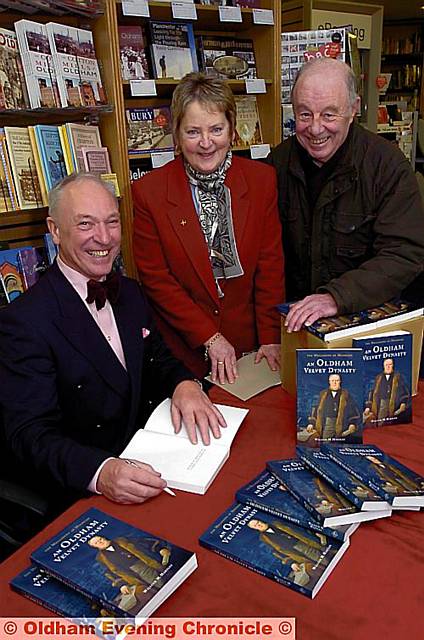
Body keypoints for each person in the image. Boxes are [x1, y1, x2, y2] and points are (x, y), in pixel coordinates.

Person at [0, 173, 226, 509]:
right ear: (55, 231)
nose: (103, 238)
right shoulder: (23, 321)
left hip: (151, 464)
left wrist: (184, 384)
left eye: (111, 222)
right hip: (82, 491)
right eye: (86, 224)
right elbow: (30, 435)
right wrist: (100, 472)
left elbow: (158, 360)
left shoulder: (130, 293)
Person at [132, 72, 284, 383]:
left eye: (216, 129)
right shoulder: (149, 192)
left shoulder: (261, 181)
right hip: (182, 350)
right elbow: (157, 280)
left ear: (231, 131)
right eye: (192, 132)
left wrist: (271, 336)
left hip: (250, 349)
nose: (205, 143)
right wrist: (209, 337)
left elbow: (270, 266)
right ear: (176, 134)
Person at [267, 57, 424, 333]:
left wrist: (337, 297)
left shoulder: (387, 166)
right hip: (293, 327)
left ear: (353, 109)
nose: (315, 128)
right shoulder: (276, 165)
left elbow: (404, 253)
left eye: (329, 115)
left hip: (364, 328)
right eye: (305, 114)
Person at [87, 534, 170, 591]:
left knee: (171, 572)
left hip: (151, 560)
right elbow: (110, 573)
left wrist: (160, 549)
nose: (100, 542)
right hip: (136, 572)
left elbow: (143, 541)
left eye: (100, 539)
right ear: (94, 546)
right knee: (162, 586)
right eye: (96, 543)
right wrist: (122, 585)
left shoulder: (121, 540)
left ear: (104, 538)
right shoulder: (101, 558)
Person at [304, 373, 360, 443]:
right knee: (326, 444)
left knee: (342, 445)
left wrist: (352, 424)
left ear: (340, 381)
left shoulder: (346, 395)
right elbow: (316, 409)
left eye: (337, 380)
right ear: (329, 381)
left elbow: (354, 410)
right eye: (333, 380)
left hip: (343, 424)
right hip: (327, 424)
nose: (335, 383)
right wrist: (311, 423)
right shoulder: (323, 394)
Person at [247, 518, 328, 565]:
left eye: (258, 522)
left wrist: (315, 532)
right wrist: (291, 563)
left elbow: (296, 525)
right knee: (323, 562)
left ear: (260, 520)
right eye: (255, 526)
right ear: (255, 529)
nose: (258, 525)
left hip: (308, 539)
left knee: (329, 551)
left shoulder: (276, 523)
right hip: (296, 551)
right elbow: (275, 552)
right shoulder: (263, 538)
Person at [364, 357, 411, 426]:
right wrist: (368, 406)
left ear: (393, 365)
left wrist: (403, 403)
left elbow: (404, 391)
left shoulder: (398, 377)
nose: (388, 367)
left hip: (394, 403)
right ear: (383, 366)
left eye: (390, 364)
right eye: (386, 365)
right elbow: (372, 392)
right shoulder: (378, 378)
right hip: (380, 403)